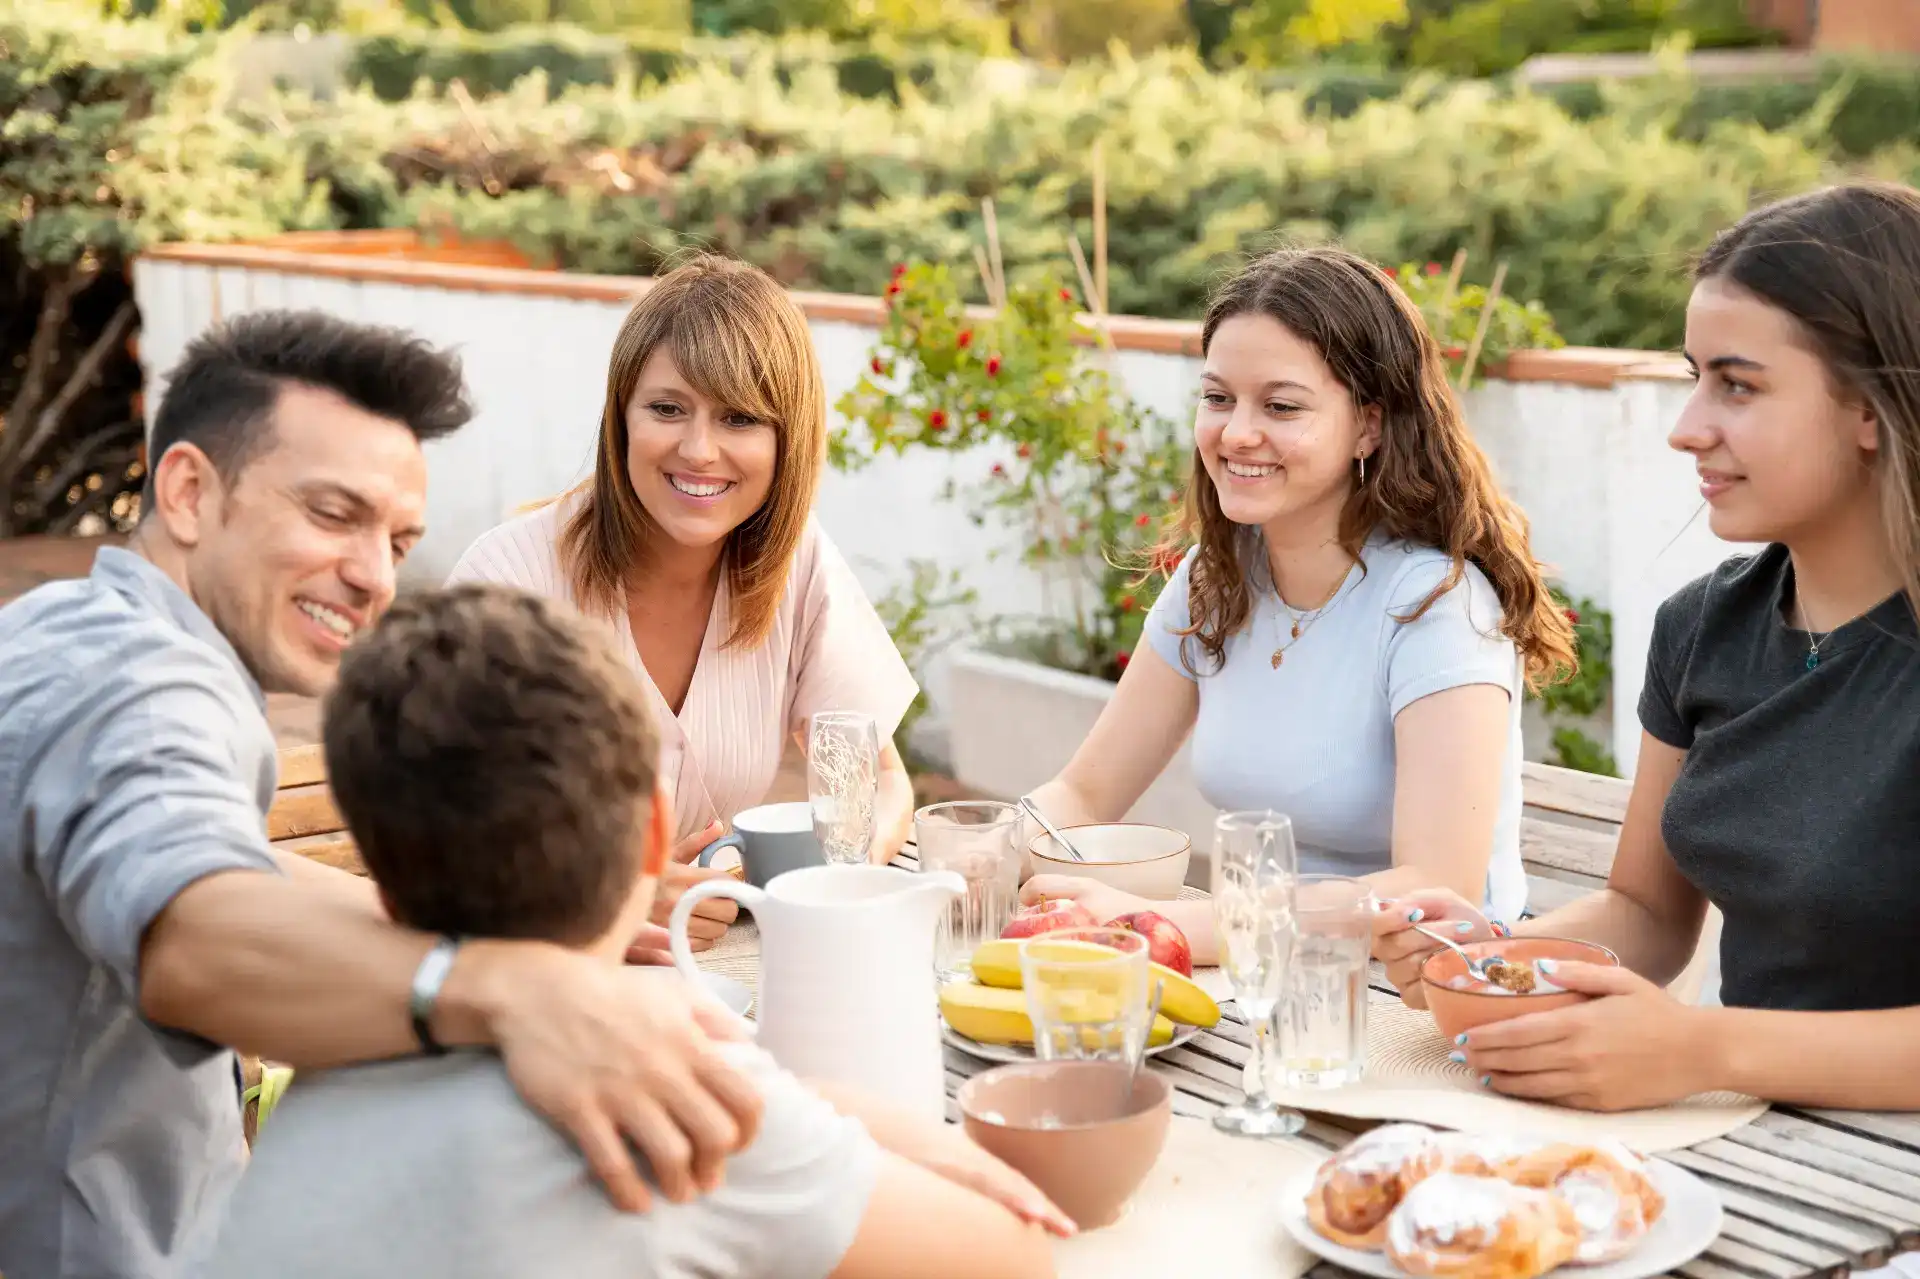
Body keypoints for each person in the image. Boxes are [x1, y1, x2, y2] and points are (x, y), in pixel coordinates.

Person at [0, 311, 762, 1279]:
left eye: (399, 541)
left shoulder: (76, 632)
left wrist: (532, 933)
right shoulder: (138, 686)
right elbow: (187, 934)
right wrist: (516, 990)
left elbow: (232, 865)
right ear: (189, 491)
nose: (372, 577)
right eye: (331, 515)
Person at [206, 583, 1065, 1279]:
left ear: (382, 888)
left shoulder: (322, 1083)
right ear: (658, 835)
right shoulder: (676, 1099)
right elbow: (1018, 1252)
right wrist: (795, 1093)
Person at [1373, 180, 1920, 1114]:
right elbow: (1650, 915)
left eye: (1738, 384)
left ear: (1870, 407)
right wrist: (1492, 954)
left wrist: (1705, 1045)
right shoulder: (1703, 626)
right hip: (1752, 1137)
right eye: (1692, 375)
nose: (1685, 427)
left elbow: (1702, 1035)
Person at [1018, 246, 1576, 964]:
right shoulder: (1215, 579)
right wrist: (981, 854)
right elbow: (1084, 792)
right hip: (1257, 976)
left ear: (1369, 426)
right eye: (1218, 398)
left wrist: (1169, 923)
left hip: (1413, 994)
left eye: (1281, 406)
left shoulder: (1438, 607)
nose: (1237, 432)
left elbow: (1435, 887)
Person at [446, 255, 919, 958]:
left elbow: (878, 781)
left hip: (713, 974)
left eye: (738, 417)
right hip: (531, 977)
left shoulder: (796, 564)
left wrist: (838, 874)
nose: (699, 450)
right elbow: (445, 835)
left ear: (786, 439)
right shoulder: (509, 580)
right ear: (622, 419)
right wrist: (612, 898)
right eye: (667, 408)